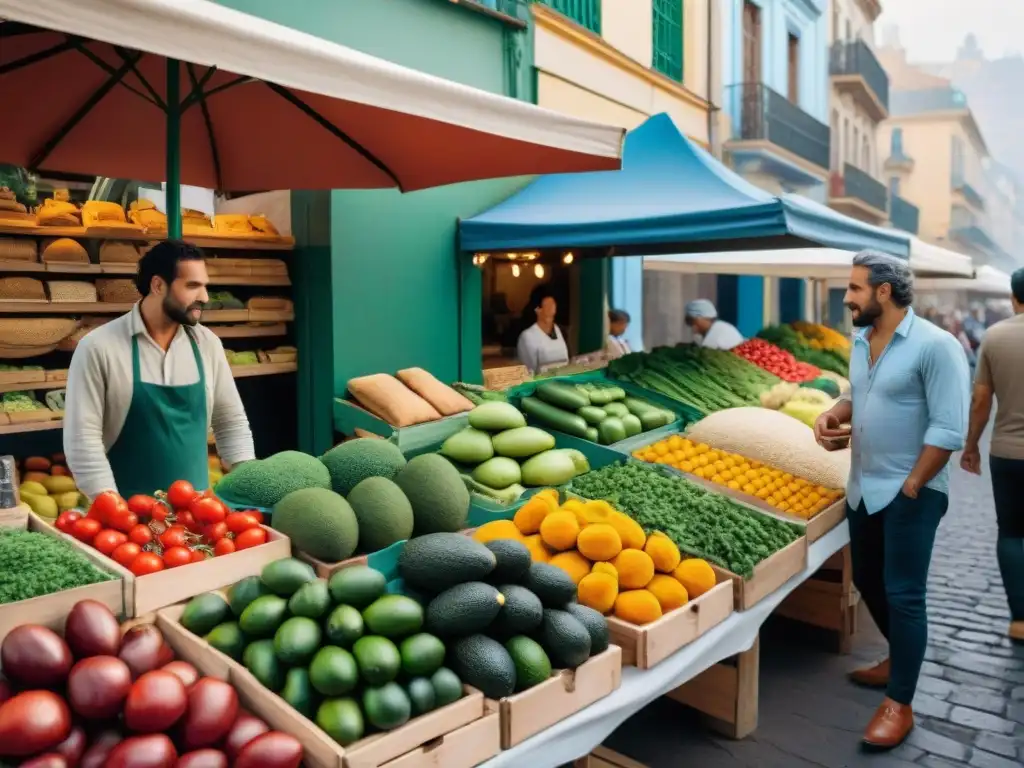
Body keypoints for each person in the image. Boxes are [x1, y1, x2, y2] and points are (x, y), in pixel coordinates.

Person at [812, 250, 969, 750]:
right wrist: (834, 414)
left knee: (904, 594)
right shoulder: (862, 341)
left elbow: (948, 428)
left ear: (884, 292)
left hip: (911, 492)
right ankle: (897, 659)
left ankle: (900, 701)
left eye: (855, 288)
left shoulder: (936, 346)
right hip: (862, 487)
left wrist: (913, 485)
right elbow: (861, 395)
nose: (847, 297)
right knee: (869, 583)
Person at [64, 240, 256, 500]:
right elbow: (83, 440)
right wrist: (111, 507)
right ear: (157, 285)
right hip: (127, 518)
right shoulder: (99, 347)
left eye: (205, 286)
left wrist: (248, 486)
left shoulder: (207, 344)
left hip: (197, 520)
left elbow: (230, 423)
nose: (205, 297)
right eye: (192, 286)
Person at [960, 266, 1024, 643]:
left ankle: (1020, 619)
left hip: (1008, 453)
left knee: (1012, 533)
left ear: (1013, 298)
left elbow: (981, 400)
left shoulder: (995, 336)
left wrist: (970, 446)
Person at [516, 292, 568, 374]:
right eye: (547, 306)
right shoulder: (527, 336)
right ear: (538, 310)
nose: (551, 309)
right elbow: (528, 372)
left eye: (553, 305)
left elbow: (567, 361)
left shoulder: (560, 331)